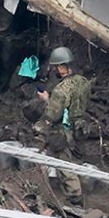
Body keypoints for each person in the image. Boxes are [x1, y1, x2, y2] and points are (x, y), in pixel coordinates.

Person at [33, 46, 91, 206]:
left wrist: (40, 127)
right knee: (75, 157)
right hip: (81, 126)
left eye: (56, 66)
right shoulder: (83, 82)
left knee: (64, 164)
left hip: (65, 131)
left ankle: (75, 198)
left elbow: (53, 114)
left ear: (61, 66)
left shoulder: (60, 90)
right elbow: (74, 103)